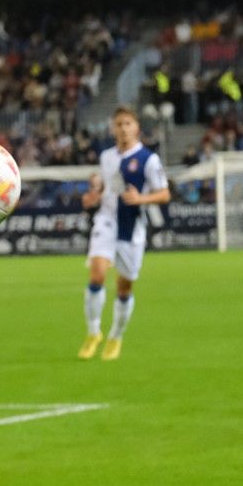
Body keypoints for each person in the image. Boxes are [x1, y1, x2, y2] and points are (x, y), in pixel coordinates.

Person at [79, 106, 170, 360]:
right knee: (97, 274)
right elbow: (109, 187)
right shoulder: (107, 156)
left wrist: (141, 199)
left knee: (124, 286)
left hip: (132, 226)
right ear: (113, 128)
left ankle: (115, 336)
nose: (123, 128)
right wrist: (94, 197)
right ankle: (93, 331)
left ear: (137, 127)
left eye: (128, 123)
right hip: (106, 220)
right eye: (118, 124)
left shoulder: (148, 159)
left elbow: (164, 193)